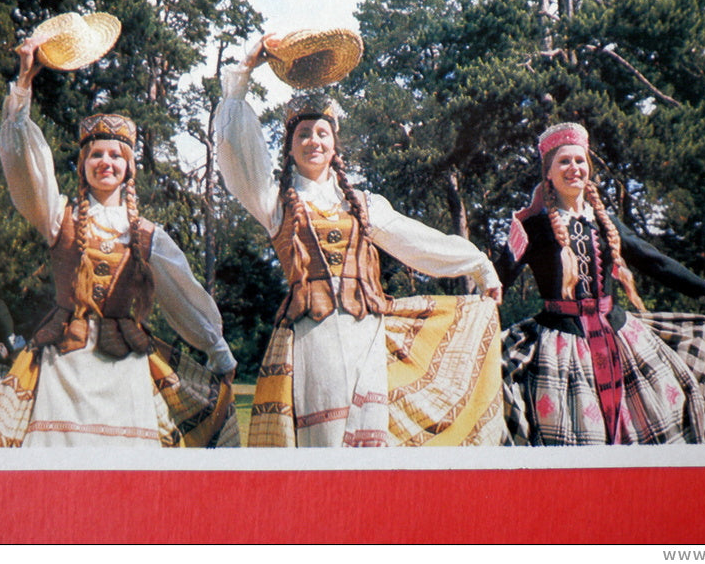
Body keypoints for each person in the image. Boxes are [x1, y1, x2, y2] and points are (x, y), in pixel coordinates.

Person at [214, 35, 505, 447]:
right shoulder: (273, 201)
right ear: (290, 147)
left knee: (371, 446)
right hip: (309, 339)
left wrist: (477, 263)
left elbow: (416, 241)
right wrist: (242, 75)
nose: (314, 141)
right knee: (322, 444)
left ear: (335, 146)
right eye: (303, 135)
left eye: (322, 133)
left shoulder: (365, 204)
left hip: (366, 335)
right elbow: (233, 148)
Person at [0, 34, 238, 448]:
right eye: (96, 155)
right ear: (84, 164)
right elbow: (22, 164)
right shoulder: (57, 216)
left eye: (116, 156)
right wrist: (22, 89)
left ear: (129, 168)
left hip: (125, 366)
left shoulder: (147, 235)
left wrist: (217, 350)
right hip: (64, 367)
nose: (106, 162)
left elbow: (183, 296)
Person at [495, 122, 705, 445]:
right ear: (549, 174)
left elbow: (652, 260)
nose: (574, 169)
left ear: (589, 168)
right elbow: (497, 281)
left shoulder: (605, 222)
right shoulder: (533, 227)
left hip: (620, 336)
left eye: (580, 161)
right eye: (564, 162)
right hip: (561, 347)